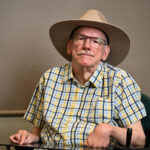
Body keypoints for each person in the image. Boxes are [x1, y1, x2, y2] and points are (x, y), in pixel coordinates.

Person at [9, 9, 146, 148]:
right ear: (70, 46)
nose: (87, 46)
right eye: (81, 38)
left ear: (105, 52)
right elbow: (38, 134)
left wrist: (109, 129)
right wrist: (28, 137)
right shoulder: (49, 78)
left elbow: (139, 139)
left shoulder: (120, 80)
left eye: (96, 41)